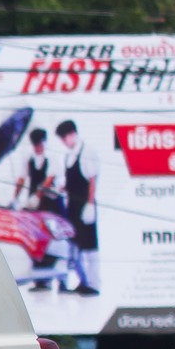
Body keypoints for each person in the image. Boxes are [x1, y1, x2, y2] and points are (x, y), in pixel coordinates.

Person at [54, 120, 100, 296]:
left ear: (73, 134)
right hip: (72, 206)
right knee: (76, 246)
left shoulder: (87, 152)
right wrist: (60, 188)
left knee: (90, 247)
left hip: (85, 206)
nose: (63, 142)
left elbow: (92, 180)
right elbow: (71, 180)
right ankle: (83, 281)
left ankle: (94, 284)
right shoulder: (68, 155)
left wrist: (90, 204)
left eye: (64, 137)